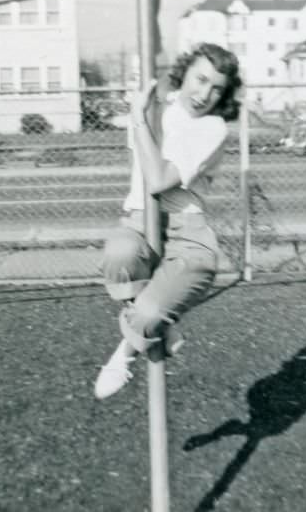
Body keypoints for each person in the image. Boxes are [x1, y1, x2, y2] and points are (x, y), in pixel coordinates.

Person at [94, 42, 243, 400]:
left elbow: (160, 180)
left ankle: (121, 357)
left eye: (216, 88)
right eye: (200, 79)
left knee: (149, 312)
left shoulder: (212, 127)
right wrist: (143, 114)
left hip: (187, 233)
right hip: (139, 219)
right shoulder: (158, 107)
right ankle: (158, 324)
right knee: (118, 253)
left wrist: (138, 119)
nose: (204, 93)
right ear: (185, 72)